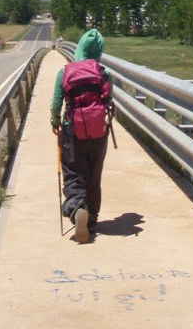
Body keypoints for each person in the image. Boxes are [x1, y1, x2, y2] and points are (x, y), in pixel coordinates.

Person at [50, 28, 113, 243]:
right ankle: (92, 219)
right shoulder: (104, 73)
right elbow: (108, 101)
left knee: (73, 172)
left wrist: (55, 122)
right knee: (94, 177)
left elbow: (56, 103)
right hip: (98, 132)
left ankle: (78, 210)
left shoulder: (65, 72)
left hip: (72, 130)